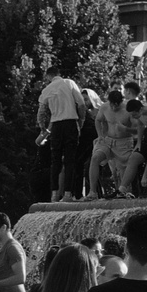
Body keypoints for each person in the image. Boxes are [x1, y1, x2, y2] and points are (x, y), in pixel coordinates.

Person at [38, 60, 88, 202]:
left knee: (55, 161)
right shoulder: (69, 83)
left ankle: (54, 193)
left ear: (48, 77)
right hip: (70, 122)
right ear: (59, 74)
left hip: (56, 125)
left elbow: (41, 113)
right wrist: (80, 122)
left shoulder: (47, 89)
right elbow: (82, 105)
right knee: (70, 160)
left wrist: (44, 129)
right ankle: (67, 193)